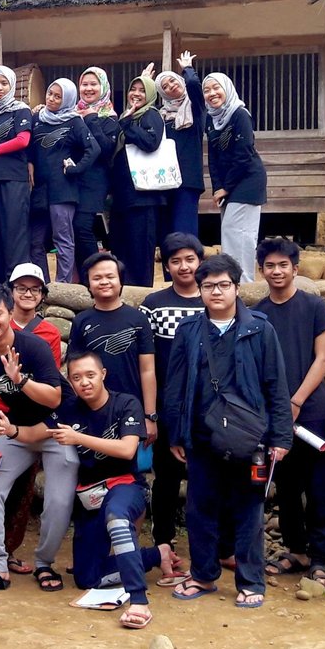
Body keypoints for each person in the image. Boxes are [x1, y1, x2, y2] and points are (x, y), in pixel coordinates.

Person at [161, 254, 292, 609]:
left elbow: (275, 385)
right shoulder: (189, 331)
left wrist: (281, 437)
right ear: (199, 290)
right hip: (202, 436)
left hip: (250, 438)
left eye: (223, 285)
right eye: (208, 286)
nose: (215, 292)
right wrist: (175, 433)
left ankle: (251, 581)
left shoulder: (260, 329)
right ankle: (203, 575)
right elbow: (174, 387)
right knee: (200, 507)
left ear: (236, 287)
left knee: (249, 508)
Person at [10, 352, 176, 631]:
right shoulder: (70, 408)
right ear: (71, 383)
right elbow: (37, 432)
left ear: (103, 374)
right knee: (87, 577)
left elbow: (127, 449)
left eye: (89, 375)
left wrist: (78, 438)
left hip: (126, 485)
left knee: (117, 516)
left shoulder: (126, 403)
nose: (84, 382)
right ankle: (156, 555)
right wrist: (12, 430)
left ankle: (138, 601)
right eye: (76, 378)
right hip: (89, 495)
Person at [0, 284, 73, 596]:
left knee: (59, 500)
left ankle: (44, 562)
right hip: (17, 430)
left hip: (56, 429)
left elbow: (54, 399)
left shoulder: (34, 347)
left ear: (10, 313)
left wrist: (19, 380)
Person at [252, 238, 325, 589]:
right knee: (286, 485)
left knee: (318, 486)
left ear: (295, 269)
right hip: (276, 414)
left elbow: (323, 358)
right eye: (269, 266)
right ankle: (295, 549)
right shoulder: (258, 314)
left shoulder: (314, 307)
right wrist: (278, 407)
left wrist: (297, 400)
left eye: (283, 265)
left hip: (313, 409)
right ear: (261, 271)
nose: (276, 271)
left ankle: (320, 559)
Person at [140, 232, 205, 560]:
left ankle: (206, 547)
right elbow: (146, 362)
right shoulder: (154, 304)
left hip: (207, 409)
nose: (184, 266)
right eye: (175, 261)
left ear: (200, 261)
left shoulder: (213, 301)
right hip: (168, 408)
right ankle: (163, 542)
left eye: (189, 259)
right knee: (165, 479)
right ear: (166, 266)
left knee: (205, 480)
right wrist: (152, 412)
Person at [67, 252, 157, 445]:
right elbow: (73, 369)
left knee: (131, 464)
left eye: (110, 276)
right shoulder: (81, 321)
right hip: (92, 406)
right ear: (88, 284)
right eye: (97, 278)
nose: (104, 282)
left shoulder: (138, 319)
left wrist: (150, 416)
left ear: (120, 281)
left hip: (131, 406)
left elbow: (148, 369)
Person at [30, 78, 100, 284]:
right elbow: (31, 149)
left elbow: (93, 149)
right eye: (50, 93)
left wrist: (75, 169)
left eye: (58, 96)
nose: (51, 99)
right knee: (34, 242)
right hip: (39, 189)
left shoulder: (74, 121)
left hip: (63, 190)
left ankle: (62, 286)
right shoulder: (38, 119)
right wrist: (30, 164)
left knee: (63, 241)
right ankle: (41, 285)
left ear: (67, 99)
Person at [202, 71, 266, 284]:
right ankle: (231, 280)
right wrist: (217, 187)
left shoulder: (240, 114)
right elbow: (213, 156)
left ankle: (244, 283)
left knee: (241, 233)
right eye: (207, 90)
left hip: (247, 180)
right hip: (228, 184)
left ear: (227, 89)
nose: (212, 93)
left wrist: (226, 187)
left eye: (216, 88)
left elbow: (244, 154)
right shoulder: (211, 119)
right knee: (230, 232)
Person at [105, 68, 165, 287]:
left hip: (143, 197)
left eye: (142, 90)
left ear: (150, 95)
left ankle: (140, 294)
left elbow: (151, 142)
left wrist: (127, 125)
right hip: (123, 197)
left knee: (140, 251)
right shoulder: (127, 116)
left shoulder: (151, 114)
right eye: (133, 89)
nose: (136, 94)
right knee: (121, 248)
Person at [0, 66, 33, 284]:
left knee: (14, 233)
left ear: (11, 85)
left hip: (14, 178)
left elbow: (23, 140)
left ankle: (16, 284)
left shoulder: (20, 110)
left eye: (4, 83)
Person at [155, 51, 205, 246]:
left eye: (173, 81)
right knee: (167, 236)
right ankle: (170, 277)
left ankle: (190, 276)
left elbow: (193, 86)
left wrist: (187, 69)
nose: (171, 87)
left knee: (185, 234)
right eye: (165, 86)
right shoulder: (161, 116)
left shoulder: (195, 109)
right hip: (164, 180)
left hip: (187, 182)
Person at [75, 66, 115, 268]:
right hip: (72, 180)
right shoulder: (71, 113)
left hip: (95, 181)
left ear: (103, 86)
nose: (88, 88)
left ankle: (96, 273)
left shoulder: (109, 116)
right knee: (73, 229)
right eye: (84, 84)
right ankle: (82, 277)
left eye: (93, 84)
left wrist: (91, 119)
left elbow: (106, 149)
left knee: (82, 227)